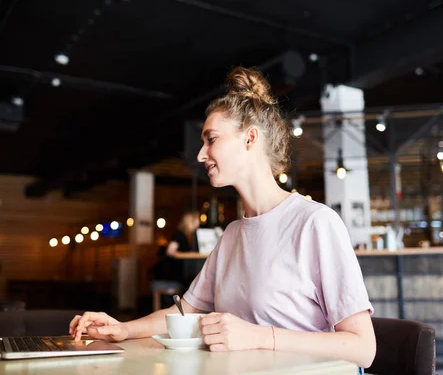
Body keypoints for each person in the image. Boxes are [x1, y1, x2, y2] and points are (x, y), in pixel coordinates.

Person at [70, 67, 376, 369]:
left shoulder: (315, 222)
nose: (201, 155)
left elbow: (363, 348)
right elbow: (184, 312)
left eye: (211, 139)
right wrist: (123, 329)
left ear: (249, 139)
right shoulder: (232, 234)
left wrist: (257, 336)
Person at [150, 211, 200, 297]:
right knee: (192, 281)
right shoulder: (180, 235)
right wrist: (183, 254)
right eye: (196, 222)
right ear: (190, 222)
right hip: (172, 273)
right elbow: (170, 251)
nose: (198, 225)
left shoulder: (188, 236)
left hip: (178, 271)